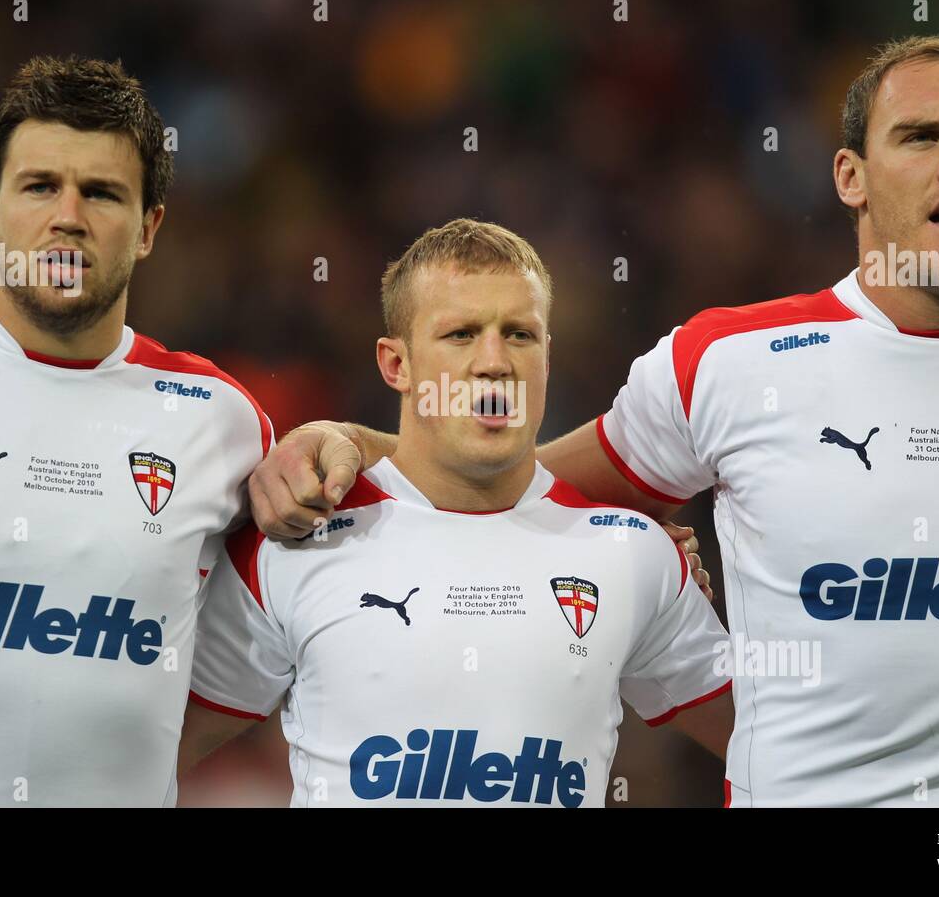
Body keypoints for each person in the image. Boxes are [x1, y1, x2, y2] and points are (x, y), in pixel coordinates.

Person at [249, 36, 939, 806]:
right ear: (850, 177)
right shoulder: (727, 364)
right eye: (923, 136)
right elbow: (514, 492)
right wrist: (360, 444)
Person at [0, 56, 273, 806]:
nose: (69, 214)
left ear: (149, 227)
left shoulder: (221, 419)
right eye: (40, 186)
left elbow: (264, 643)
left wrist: (351, 438)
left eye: (102, 192)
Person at [178, 219, 733, 806]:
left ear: (547, 356)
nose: (493, 361)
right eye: (462, 334)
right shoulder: (294, 541)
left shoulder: (634, 555)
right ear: (397, 365)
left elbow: (775, 752)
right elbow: (140, 753)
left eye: (519, 334)